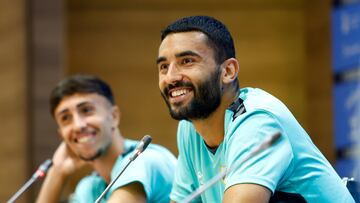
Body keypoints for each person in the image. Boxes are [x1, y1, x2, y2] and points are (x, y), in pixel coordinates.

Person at [156, 15, 355, 202]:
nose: (171, 77)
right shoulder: (189, 129)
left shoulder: (257, 122)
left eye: (187, 61)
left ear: (228, 71)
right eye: (164, 66)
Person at [36, 74, 176, 203]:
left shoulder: (144, 160)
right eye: (66, 118)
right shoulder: (90, 187)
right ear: (62, 135)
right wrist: (57, 172)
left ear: (114, 116)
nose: (78, 125)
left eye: (86, 110)